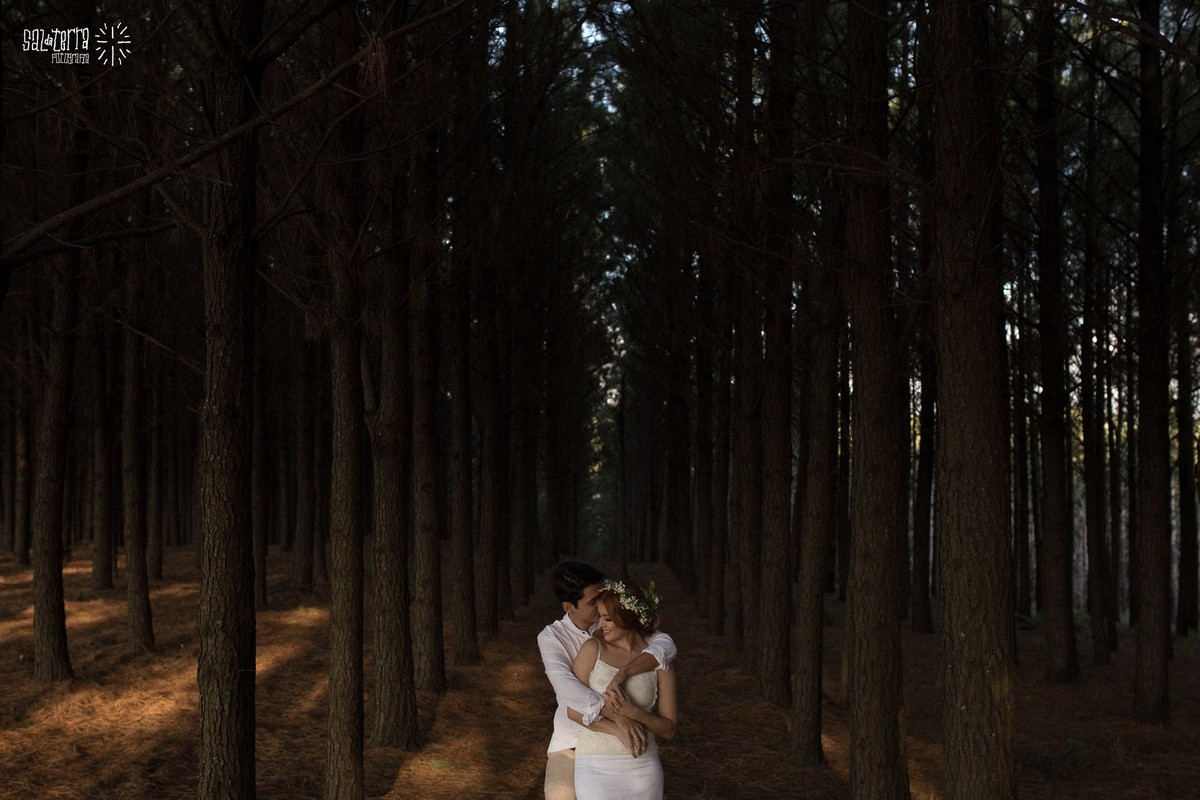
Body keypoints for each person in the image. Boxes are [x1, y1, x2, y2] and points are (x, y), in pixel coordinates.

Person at [538, 563, 677, 800]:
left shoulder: (615, 620)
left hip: (633, 751)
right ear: (568, 607)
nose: (599, 605)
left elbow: (666, 645)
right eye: (593, 602)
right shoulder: (552, 637)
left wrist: (624, 672)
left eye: (601, 597)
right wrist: (619, 718)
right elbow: (567, 690)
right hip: (572, 741)